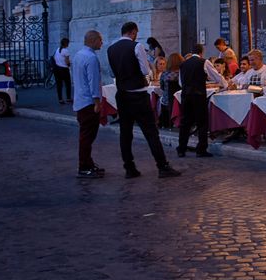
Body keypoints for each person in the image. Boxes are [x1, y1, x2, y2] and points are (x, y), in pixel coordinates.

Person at [107, 21, 180, 179]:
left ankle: (129, 167)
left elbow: (112, 73)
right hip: (138, 94)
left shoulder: (111, 48)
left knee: (125, 133)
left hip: (122, 94)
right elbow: (145, 70)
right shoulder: (136, 46)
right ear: (133, 32)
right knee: (151, 132)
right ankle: (162, 166)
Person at [178, 44, 226, 158]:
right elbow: (216, 76)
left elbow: (181, 82)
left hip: (185, 95)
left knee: (185, 123)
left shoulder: (183, 64)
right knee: (202, 122)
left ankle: (181, 149)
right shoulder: (204, 62)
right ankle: (201, 149)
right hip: (198, 95)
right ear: (201, 52)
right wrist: (225, 85)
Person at [72, 30, 105, 178]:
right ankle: (84, 166)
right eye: (100, 40)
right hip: (89, 102)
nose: (101, 43)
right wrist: (97, 102)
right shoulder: (91, 58)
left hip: (80, 100)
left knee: (86, 135)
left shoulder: (78, 55)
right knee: (87, 136)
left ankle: (88, 162)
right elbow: (94, 81)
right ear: (93, 40)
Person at [159, 53, 183, 128]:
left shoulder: (164, 74)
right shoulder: (181, 74)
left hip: (167, 101)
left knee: (160, 99)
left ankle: (165, 123)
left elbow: (162, 87)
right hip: (180, 101)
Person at [52, 38, 72, 104]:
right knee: (67, 84)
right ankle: (68, 98)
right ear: (66, 43)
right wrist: (69, 64)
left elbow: (54, 58)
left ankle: (60, 99)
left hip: (57, 69)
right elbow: (67, 61)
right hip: (64, 69)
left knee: (59, 85)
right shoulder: (66, 51)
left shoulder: (58, 49)